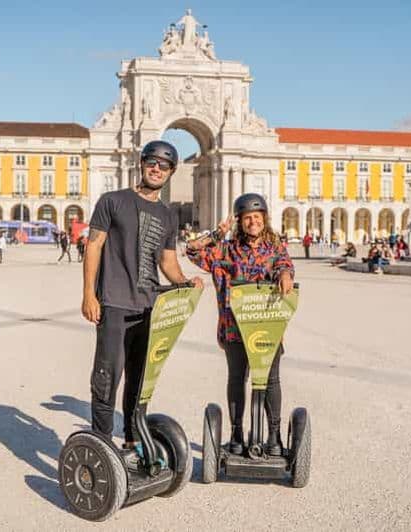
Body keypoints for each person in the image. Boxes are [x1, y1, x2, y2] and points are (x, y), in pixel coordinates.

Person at [81, 140, 203, 462]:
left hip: (151, 306)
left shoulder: (167, 214)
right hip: (115, 303)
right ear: (142, 164)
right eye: (152, 162)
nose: (157, 169)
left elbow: (168, 262)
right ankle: (102, 444)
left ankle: (133, 441)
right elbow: (93, 246)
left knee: (140, 379)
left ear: (171, 172)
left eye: (164, 166)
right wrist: (88, 294)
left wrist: (185, 282)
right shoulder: (113, 201)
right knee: (107, 377)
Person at [186, 193, 294, 456]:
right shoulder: (226, 250)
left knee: (271, 381)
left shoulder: (275, 249)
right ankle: (235, 435)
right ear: (240, 221)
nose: (252, 222)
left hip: (268, 328)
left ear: (264, 219)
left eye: (257, 217)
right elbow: (191, 251)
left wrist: (285, 274)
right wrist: (217, 233)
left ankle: (274, 437)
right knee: (237, 379)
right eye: (247, 218)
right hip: (234, 329)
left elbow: (285, 264)